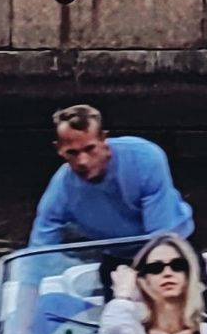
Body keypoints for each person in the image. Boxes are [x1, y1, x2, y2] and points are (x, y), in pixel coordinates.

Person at [29, 102, 192, 272]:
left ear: (103, 139)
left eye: (90, 149)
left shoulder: (145, 158)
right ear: (59, 149)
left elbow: (160, 236)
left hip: (173, 247)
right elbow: (39, 248)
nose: (82, 161)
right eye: (72, 152)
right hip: (118, 258)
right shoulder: (60, 189)